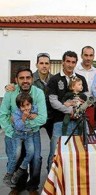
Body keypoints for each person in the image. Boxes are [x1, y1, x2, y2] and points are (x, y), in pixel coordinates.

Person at [0, 67, 47, 195]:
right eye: (21, 78)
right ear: (16, 80)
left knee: (36, 158)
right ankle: (16, 186)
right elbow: (3, 114)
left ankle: (32, 187)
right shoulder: (10, 92)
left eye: (28, 78)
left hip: (32, 132)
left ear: (32, 79)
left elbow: (42, 118)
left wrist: (25, 125)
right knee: (14, 158)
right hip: (13, 133)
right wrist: (12, 129)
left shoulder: (38, 93)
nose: (25, 81)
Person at [47, 51, 88, 172]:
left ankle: (74, 181)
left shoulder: (81, 79)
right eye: (68, 61)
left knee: (79, 153)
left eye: (73, 62)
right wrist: (69, 110)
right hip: (60, 122)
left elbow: (85, 99)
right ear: (63, 62)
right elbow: (53, 101)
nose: (70, 65)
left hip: (79, 122)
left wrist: (78, 110)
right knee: (55, 153)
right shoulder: (55, 79)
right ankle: (52, 183)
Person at [5, 53, 54, 139]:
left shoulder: (54, 79)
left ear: (50, 65)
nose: (44, 66)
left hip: (51, 116)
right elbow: (19, 84)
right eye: (41, 63)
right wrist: (9, 86)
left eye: (46, 63)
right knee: (29, 144)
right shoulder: (29, 78)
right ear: (36, 65)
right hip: (33, 116)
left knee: (55, 143)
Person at [9, 93, 38, 185]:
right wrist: (23, 118)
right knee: (16, 154)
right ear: (19, 107)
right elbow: (18, 127)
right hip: (18, 135)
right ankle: (9, 173)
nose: (26, 108)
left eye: (28, 105)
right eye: (23, 106)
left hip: (29, 134)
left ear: (31, 104)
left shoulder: (34, 108)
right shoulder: (16, 113)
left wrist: (35, 115)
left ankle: (21, 170)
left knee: (31, 152)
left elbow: (37, 114)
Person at [75, 46, 96, 130]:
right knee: (77, 134)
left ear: (94, 56)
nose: (88, 58)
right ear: (81, 56)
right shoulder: (75, 71)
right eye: (86, 55)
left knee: (90, 135)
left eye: (91, 55)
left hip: (91, 108)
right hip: (77, 107)